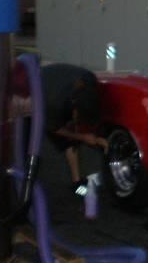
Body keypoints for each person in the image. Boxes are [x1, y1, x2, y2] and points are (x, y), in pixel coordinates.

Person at [41, 63, 108, 195]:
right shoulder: (54, 103)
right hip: (35, 88)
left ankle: (77, 183)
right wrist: (83, 137)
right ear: (74, 108)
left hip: (61, 83)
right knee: (66, 138)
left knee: (74, 133)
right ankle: (27, 178)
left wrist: (93, 136)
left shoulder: (90, 80)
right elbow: (55, 129)